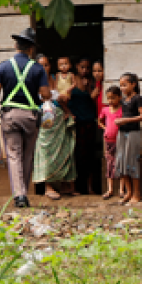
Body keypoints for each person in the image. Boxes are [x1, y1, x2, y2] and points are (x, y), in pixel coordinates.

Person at [0, 28, 51, 208]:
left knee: (14, 155)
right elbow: (45, 94)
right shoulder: (38, 68)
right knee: (27, 156)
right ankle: (24, 192)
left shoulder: (3, 67)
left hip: (10, 116)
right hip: (30, 117)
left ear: (16, 46)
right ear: (31, 49)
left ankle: (20, 195)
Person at [33, 57, 78, 200]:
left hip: (60, 116)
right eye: (41, 65)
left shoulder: (56, 78)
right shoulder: (34, 81)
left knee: (65, 148)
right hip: (46, 119)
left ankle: (65, 184)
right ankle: (48, 185)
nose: (44, 68)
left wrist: (67, 110)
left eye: (46, 65)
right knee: (46, 150)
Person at [63, 57, 98, 194]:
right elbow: (64, 97)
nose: (85, 70)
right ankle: (74, 187)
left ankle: (90, 188)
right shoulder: (71, 79)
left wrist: (89, 87)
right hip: (75, 122)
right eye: (82, 67)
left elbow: (93, 99)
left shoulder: (92, 81)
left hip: (89, 122)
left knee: (89, 155)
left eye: (87, 68)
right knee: (76, 154)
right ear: (76, 66)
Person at [115, 72, 142, 205]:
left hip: (133, 133)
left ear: (133, 85)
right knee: (121, 162)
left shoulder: (137, 98)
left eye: (124, 85)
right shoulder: (123, 100)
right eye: (121, 85)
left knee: (132, 162)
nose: (122, 88)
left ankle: (137, 194)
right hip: (122, 133)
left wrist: (125, 120)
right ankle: (128, 192)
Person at [98, 86, 123, 200]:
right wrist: (105, 128)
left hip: (120, 141)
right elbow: (99, 121)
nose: (110, 101)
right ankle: (110, 189)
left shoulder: (122, 110)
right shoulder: (105, 110)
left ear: (119, 97)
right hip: (108, 141)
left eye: (113, 98)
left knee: (120, 164)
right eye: (108, 98)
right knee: (109, 165)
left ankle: (121, 189)